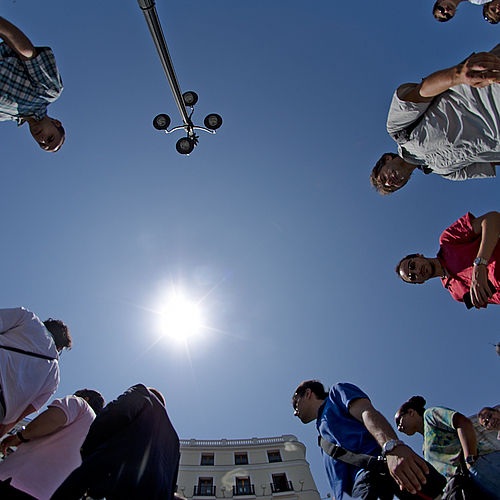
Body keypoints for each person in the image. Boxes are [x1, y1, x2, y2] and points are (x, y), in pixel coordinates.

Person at [370, 46, 500, 195]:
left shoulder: (399, 130)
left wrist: (458, 75)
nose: (389, 182)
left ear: (387, 159)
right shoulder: (447, 172)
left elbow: (420, 93)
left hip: (492, 86)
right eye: (392, 187)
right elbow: (491, 162)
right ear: (405, 182)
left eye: (383, 178)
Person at [291, 380, 442, 500]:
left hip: (376, 474)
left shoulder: (336, 394)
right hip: (359, 490)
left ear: (308, 393)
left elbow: (366, 412)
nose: (295, 413)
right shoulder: (322, 438)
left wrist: (393, 447)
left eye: (296, 404)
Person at [51, 384, 180, 500]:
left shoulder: (143, 392)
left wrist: (86, 447)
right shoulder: (174, 439)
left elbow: (115, 413)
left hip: (115, 475)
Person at [0, 389, 104, 500]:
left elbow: (53, 418)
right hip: (48, 493)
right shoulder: (96, 432)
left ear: (86, 398)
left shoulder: (81, 404)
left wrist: (20, 437)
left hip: (19, 481)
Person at [395, 396, 500, 500]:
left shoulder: (430, 415)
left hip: (481, 465)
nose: (399, 428)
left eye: (399, 420)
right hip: (466, 484)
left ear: (411, 412)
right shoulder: (424, 449)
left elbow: (463, 422)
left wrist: (471, 460)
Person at [395, 211, 500, 309]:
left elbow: (492, 219)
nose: (417, 271)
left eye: (412, 265)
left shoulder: (447, 240)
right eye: (412, 276)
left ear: (419, 255)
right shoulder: (457, 294)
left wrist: (480, 264)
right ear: (420, 282)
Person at [0, 307, 72, 438]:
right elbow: (24, 413)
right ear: (59, 348)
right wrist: (4, 429)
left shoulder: (27, 318)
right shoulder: (54, 377)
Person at [0, 16, 64, 151]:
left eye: (42, 144)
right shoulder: (47, 93)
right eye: (50, 138)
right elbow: (27, 53)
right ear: (56, 122)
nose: (42, 139)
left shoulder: (4, 116)